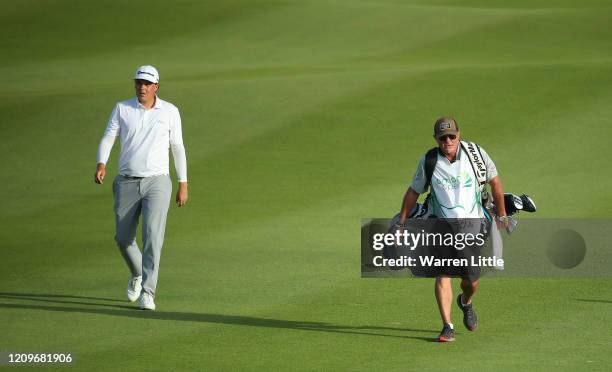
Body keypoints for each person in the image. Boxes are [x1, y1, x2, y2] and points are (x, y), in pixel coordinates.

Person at [398, 117, 508, 342]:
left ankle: (465, 301)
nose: (447, 141)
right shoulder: (429, 160)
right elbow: (413, 191)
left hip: (473, 225)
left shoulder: (475, 154)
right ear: (436, 138)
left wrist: (503, 214)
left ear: (459, 134)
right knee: (443, 273)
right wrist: (401, 221)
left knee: (471, 281)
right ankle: (447, 326)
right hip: (441, 226)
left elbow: (495, 182)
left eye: (452, 136)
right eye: (442, 137)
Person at [94, 65, 188, 311]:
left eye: (147, 83)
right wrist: (101, 163)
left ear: (156, 86)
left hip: (158, 181)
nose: (142, 87)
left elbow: (177, 147)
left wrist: (183, 182)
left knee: (152, 237)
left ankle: (148, 291)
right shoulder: (122, 108)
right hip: (126, 181)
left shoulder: (169, 111)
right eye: (138, 83)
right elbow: (108, 136)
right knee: (123, 238)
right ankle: (137, 273)